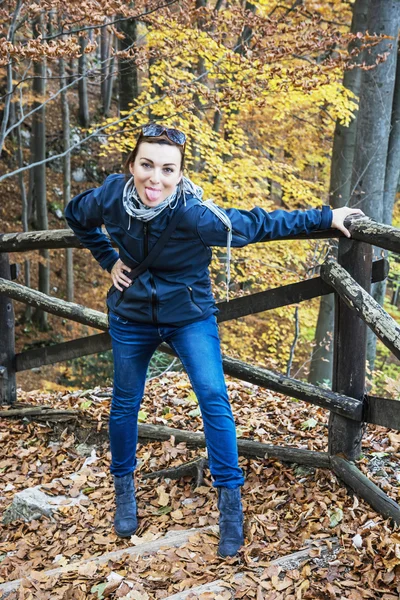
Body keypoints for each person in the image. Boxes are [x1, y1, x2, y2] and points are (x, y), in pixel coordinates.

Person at [64, 123, 364, 558]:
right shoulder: (111, 196)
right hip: (131, 317)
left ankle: (230, 505)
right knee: (125, 401)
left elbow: (257, 223)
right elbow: (75, 214)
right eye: (147, 165)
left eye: (168, 170)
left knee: (212, 396)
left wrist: (328, 217)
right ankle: (124, 491)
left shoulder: (194, 213)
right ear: (131, 165)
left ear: (181, 175)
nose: (156, 178)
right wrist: (108, 258)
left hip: (189, 317)